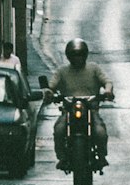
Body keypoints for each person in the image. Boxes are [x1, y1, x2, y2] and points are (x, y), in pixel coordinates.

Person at [47, 38, 113, 169]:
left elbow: (107, 81)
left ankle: (101, 156)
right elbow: (52, 85)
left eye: (80, 55)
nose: (77, 58)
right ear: (69, 56)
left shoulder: (94, 69)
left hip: (90, 110)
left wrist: (107, 91)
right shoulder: (62, 71)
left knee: (100, 132)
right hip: (68, 110)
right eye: (74, 55)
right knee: (59, 130)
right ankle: (62, 157)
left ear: (85, 55)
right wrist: (49, 93)